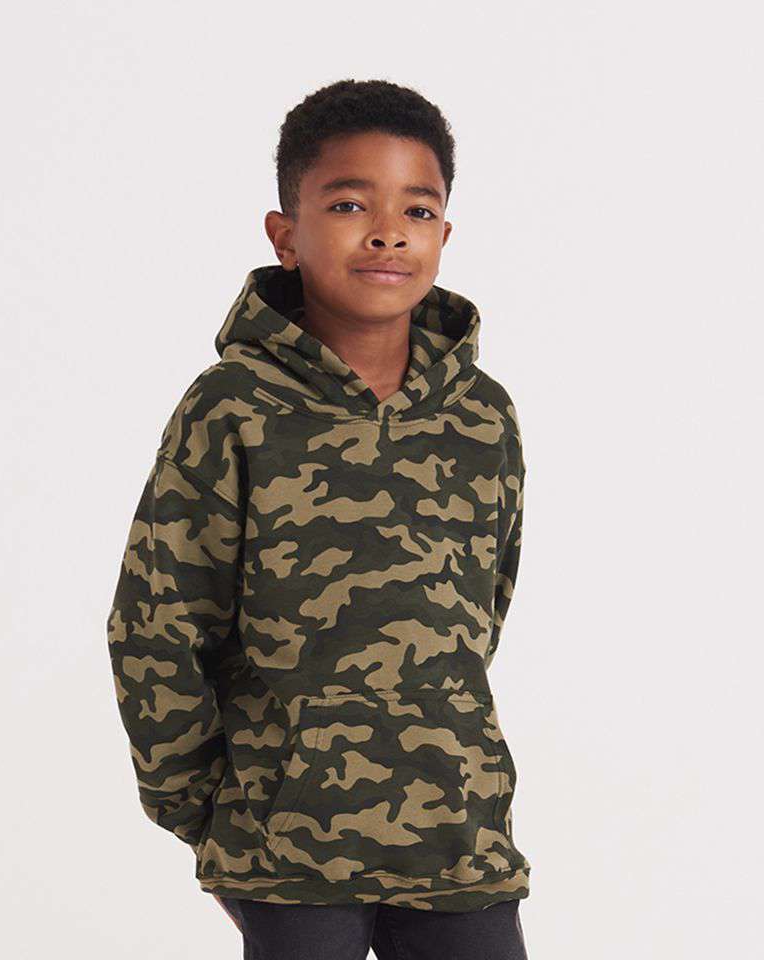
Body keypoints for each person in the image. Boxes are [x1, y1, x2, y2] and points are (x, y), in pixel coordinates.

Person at [106, 77, 531, 959]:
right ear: (285, 234)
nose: (387, 232)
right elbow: (158, 623)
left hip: (458, 838)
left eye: (417, 210)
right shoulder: (233, 407)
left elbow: (480, 612)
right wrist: (207, 817)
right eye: (347, 204)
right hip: (284, 847)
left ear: (443, 236)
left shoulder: (481, 415)